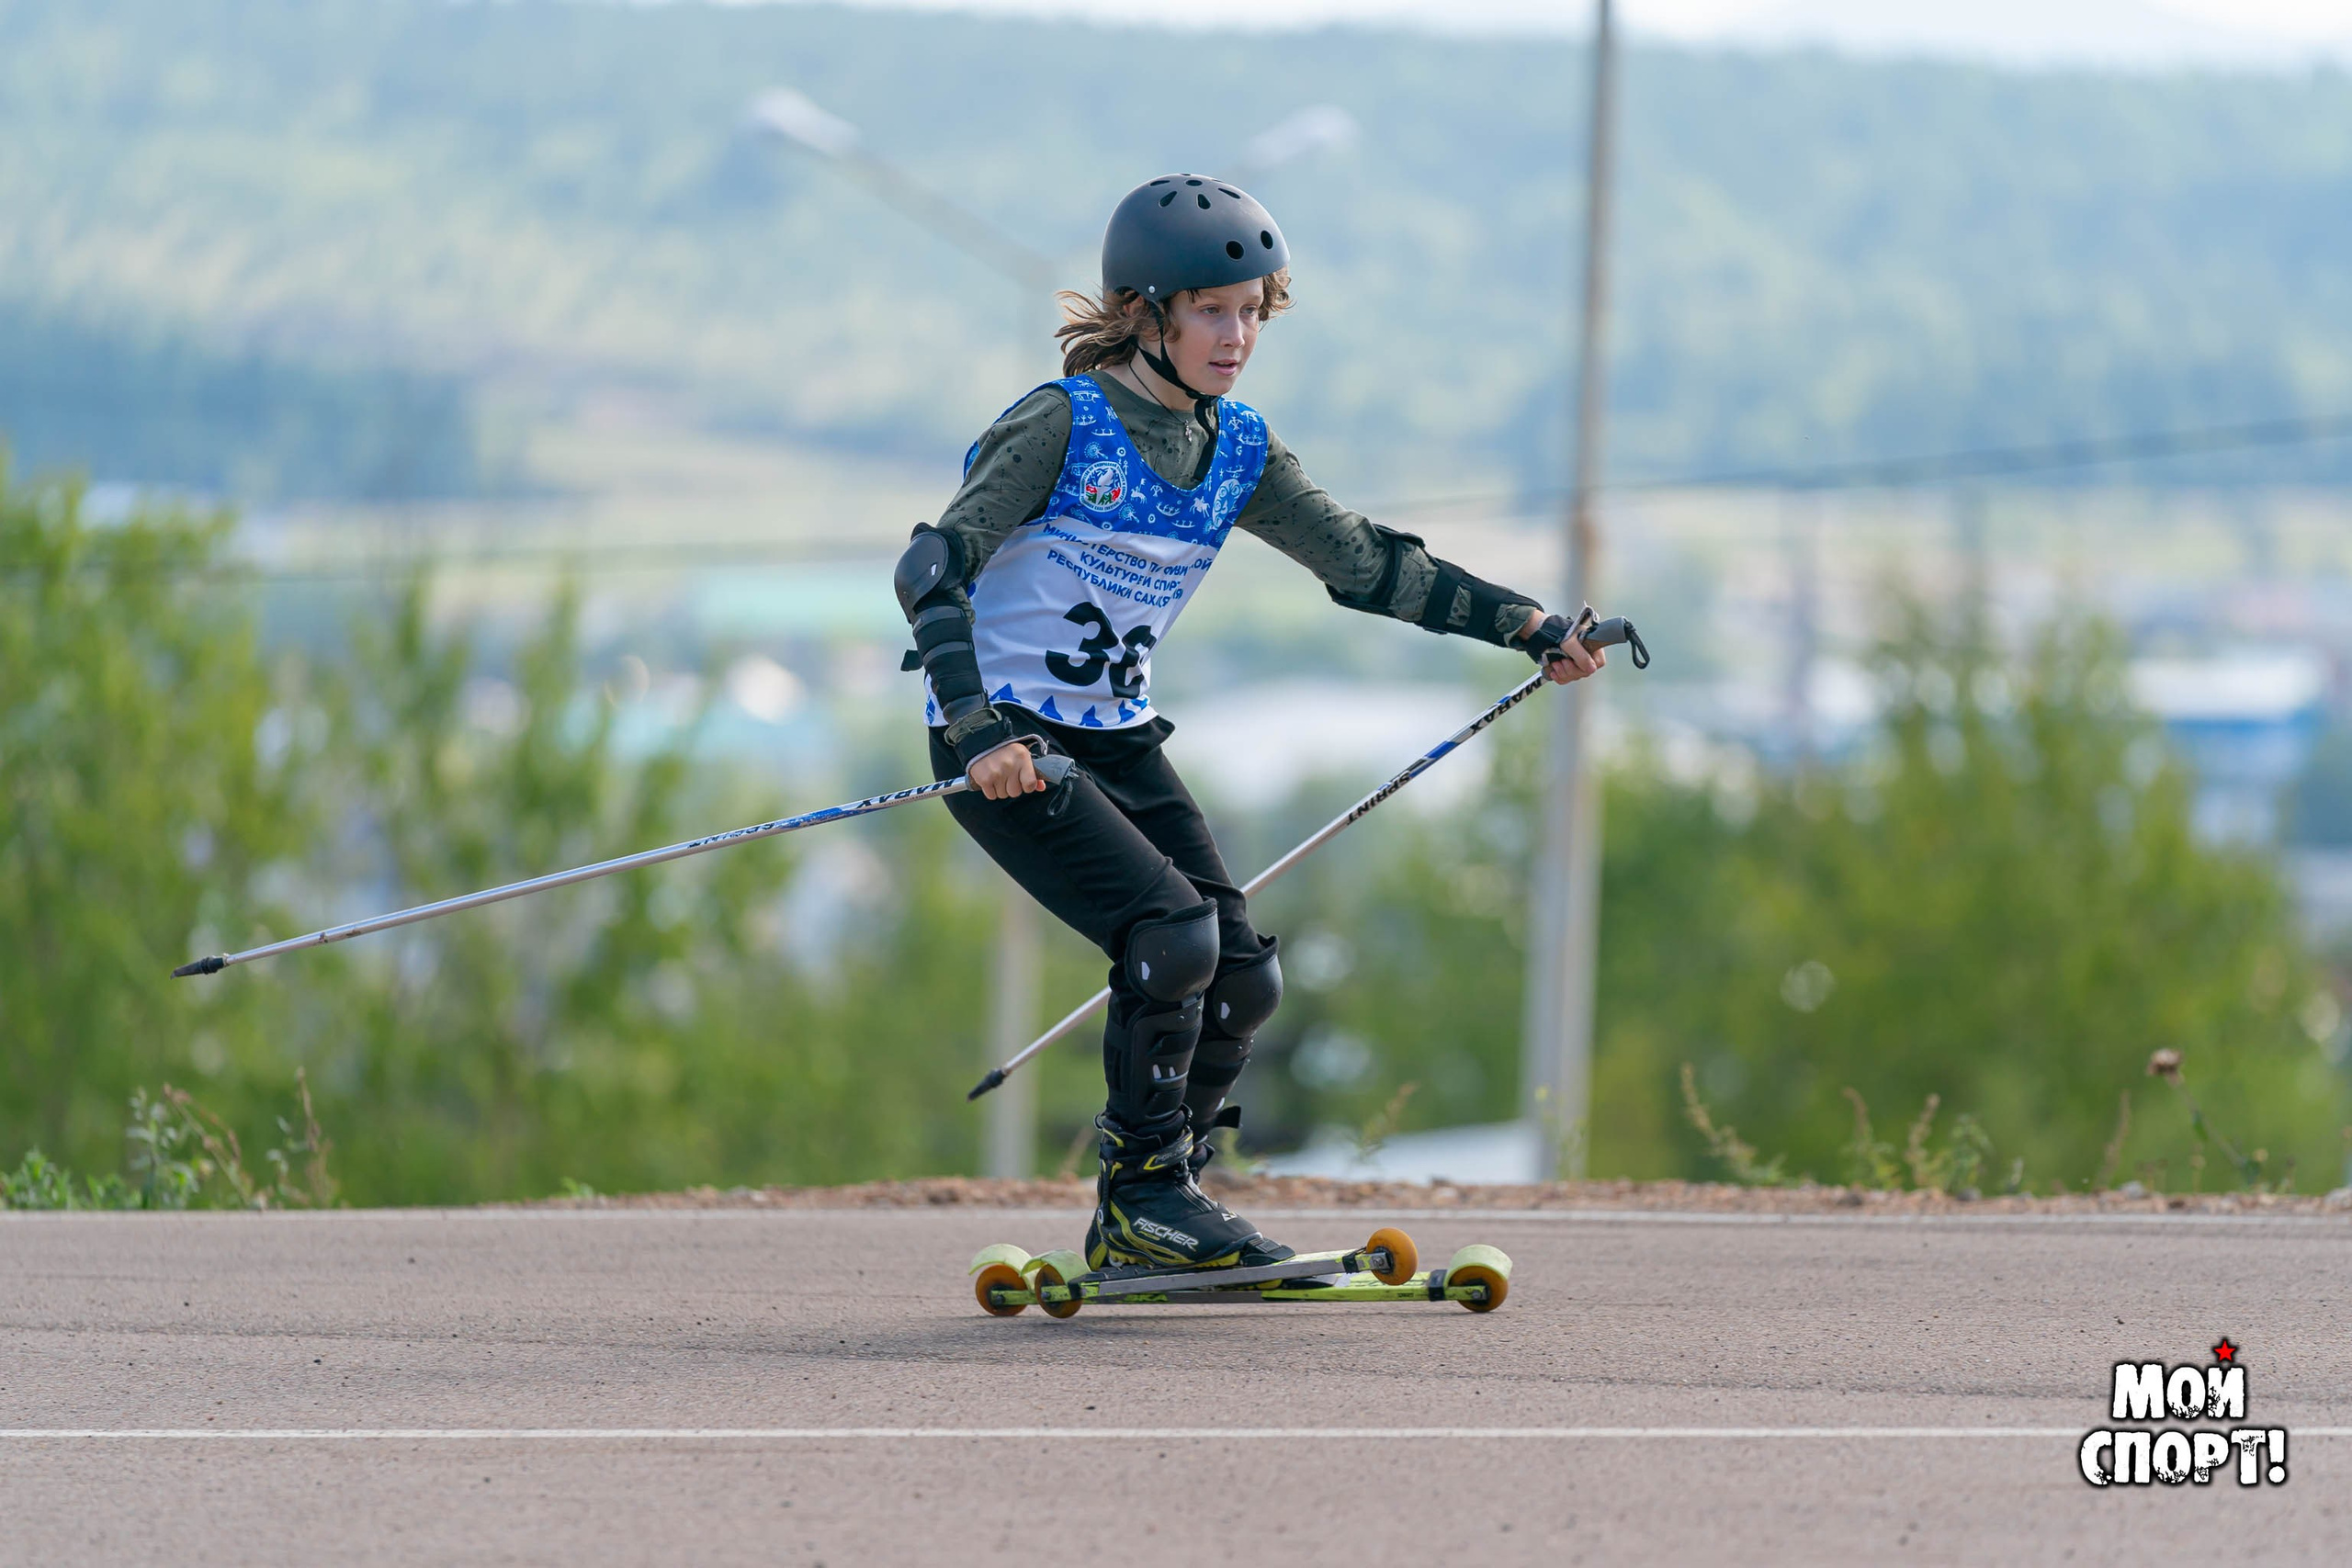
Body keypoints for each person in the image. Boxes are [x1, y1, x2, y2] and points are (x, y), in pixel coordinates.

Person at [896, 174, 1607, 1272]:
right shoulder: (1059, 424)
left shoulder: (1236, 450)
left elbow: (1367, 564)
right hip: (1007, 739)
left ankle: (1163, 1198)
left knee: (1238, 975)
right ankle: (1140, 1204)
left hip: (1116, 733)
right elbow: (933, 570)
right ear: (1145, 313)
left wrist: (1524, 625)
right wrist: (977, 730)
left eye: (1253, 312)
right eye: (1214, 311)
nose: (1238, 336)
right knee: (1169, 935)